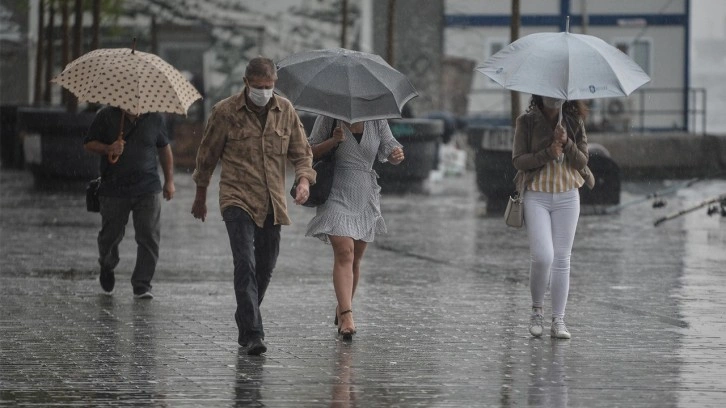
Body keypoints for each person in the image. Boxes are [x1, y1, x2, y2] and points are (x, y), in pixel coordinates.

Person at [191, 57, 316, 356]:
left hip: (273, 200)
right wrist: (200, 195)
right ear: (246, 83)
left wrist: (303, 182)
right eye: (258, 87)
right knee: (244, 262)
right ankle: (252, 334)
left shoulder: (285, 110)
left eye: (269, 86)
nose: (264, 92)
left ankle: (245, 315)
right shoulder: (225, 112)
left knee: (266, 266)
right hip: (237, 197)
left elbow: (302, 154)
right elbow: (207, 156)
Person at [305, 115, 405, 340]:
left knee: (356, 258)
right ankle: (348, 314)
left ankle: (343, 306)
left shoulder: (377, 119)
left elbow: (390, 147)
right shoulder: (329, 116)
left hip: (364, 194)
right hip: (335, 191)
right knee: (344, 252)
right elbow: (308, 151)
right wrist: (332, 141)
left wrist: (396, 155)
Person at [511, 95, 595, 339]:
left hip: (568, 195)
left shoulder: (574, 120)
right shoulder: (525, 121)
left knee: (561, 258)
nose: (553, 99)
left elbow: (582, 160)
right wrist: (548, 151)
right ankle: (537, 310)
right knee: (542, 256)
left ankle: (558, 319)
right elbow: (518, 161)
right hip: (537, 194)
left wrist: (567, 142)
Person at [83, 106, 175, 299]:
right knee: (111, 234)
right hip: (114, 189)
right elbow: (88, 144)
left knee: (149, 235)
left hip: (148, 187)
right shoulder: (106, 115)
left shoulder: (155, 118)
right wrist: (109, 148)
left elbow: (164, 148)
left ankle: (142, 284)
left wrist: (169, 181)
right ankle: (107, 264)